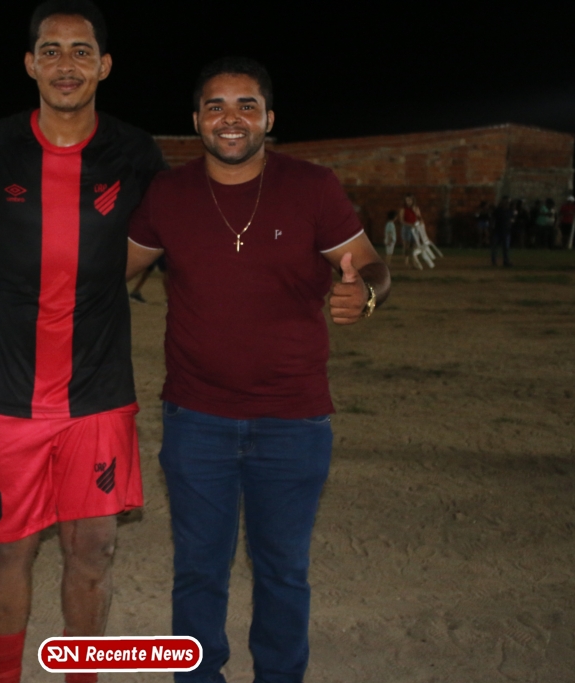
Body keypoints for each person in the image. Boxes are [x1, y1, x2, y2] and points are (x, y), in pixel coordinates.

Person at [127, 57, 391, 683]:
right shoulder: (169, 193)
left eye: (247, 105)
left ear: (269, 118)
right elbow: (112, 273)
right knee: (198, 570)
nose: (231, 118)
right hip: (196, 418)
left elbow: (370, 264)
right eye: (215, 106)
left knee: (283, 570)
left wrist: (367, 294)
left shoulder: (312, 187)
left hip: (293, 419)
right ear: (196, 120)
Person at [0, 3, 166, 682]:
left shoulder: (135, 153)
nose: (65, 64)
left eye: (81, 51)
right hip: (7, 389)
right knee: (7, 552)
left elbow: (175, 233)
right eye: (50, 51)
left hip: (97, 391)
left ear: (104, 65)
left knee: (93, 550)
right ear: (30, 64)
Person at [398, 194, 424, 268]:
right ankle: (406, 262)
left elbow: (420, 218)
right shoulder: (403, 209)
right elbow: (401, 221)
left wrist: (419, 220)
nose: (408, 202)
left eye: (410, 200)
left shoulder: (416, 208)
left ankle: (414, 261)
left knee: (415, 245)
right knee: (406, 245)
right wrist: (410, 224)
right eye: (407, 200)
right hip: (407, 228)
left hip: (415, 229)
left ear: (413, 201)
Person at [491, 196, 515, 266]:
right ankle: (494, 261)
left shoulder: (509, 211)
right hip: (498, 231)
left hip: (506, 231)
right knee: (495, 247)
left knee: (505, 248)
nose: (506, 203)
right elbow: (493, 219)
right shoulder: (498, 211)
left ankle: (505, 261)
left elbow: (512, 220)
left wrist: (510, 224)